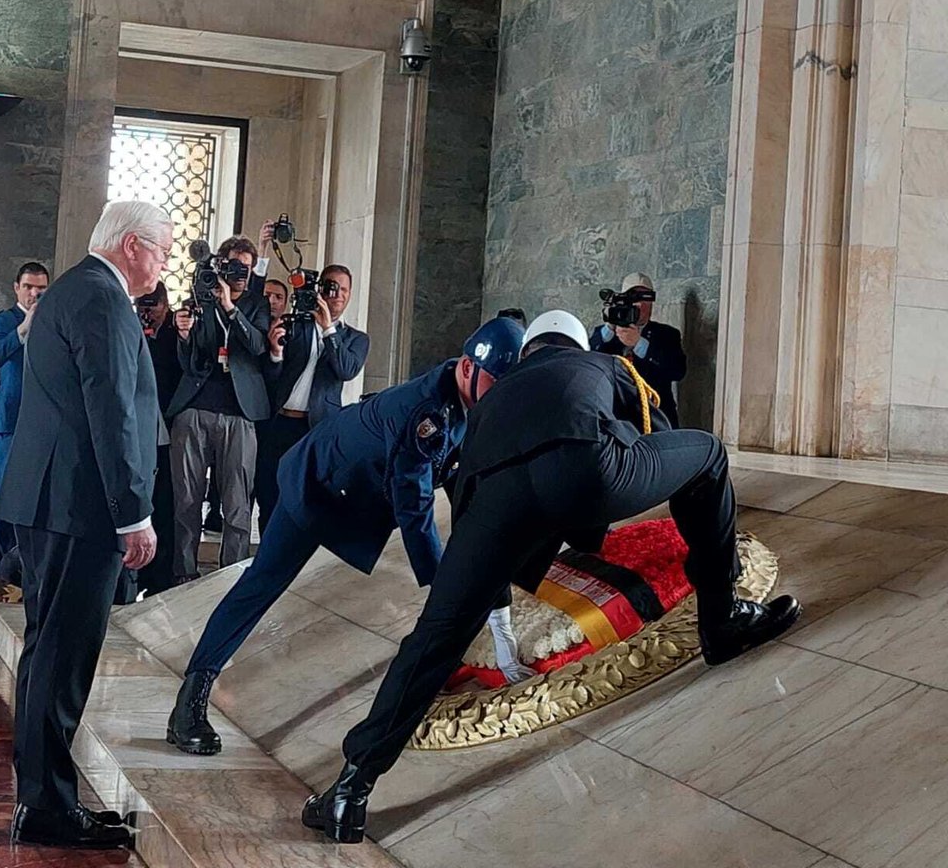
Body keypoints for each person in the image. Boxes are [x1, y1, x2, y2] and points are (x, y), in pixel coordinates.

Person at [303, 310, 802, 844]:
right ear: (574, 343)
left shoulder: (493, 399)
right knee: (707, 456)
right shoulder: (602, 364)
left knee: (435, 638)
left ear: (528, 352)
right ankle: (721, 622)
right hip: (584, 468)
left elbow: (460, 483)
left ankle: (349, 791)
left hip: (492, 504)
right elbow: (655, 424)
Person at [165, 317, 525, 758]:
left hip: (354, 491)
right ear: (469, 367)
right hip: (315, 486)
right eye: (496, 381)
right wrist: (444, 586)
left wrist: (491, 577)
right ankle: (191, 699)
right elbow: (415, 506)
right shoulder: (427, 412)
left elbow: (462, 482)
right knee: (260, 586)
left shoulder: (465, 399)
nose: (502, 394)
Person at [0, 200, 170, 850]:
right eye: (162, 248)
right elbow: (111, 409)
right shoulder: (101, 298)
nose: (167, 261)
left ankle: (42, 796)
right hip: (78, 507)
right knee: (64, 657)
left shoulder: (73, 288)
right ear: (130, 245)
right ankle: (46, 806)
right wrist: (135, 514)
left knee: (48, 651)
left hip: (46, 500)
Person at [169, 235, 271, 582]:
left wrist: (231, 307)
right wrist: (184, 335)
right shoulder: (200, 299)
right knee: (186, 500)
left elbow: (257, 346)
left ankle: (231, 575)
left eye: (246, 267)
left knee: (237, 503)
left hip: (240, 415)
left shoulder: (258, 305)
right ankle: (183, 574)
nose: (239, 273)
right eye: (233, 266)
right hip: (194, 410)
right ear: (221, 265)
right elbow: (191, 362)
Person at [256, 264, 369, 532]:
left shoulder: (356, 338)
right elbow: (273, 376)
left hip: (317, 428)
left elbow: (346, 369)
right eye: (332, 287)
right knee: (269, 492)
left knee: (308, 496)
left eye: (344, 290)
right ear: (320, 289)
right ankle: (265, 557)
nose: (337, 294)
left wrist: (329, 329)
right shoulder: (297, 326)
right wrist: (275, 353)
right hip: (281, 423)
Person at [0, 261, 51, 579]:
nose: (34, 293)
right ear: (16, 288)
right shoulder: (4, 320)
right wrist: (25, 327)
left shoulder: (52, 322)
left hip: (42, 426)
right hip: (10, 422)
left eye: (41, 288)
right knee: (2, 495)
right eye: (28, 287)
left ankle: (22, 569)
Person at [590, 272, 686, 427]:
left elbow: (677, 371)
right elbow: (589, 358)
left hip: (655, 417)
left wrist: (640, 345)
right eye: (634, 298)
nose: (640, 304)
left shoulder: (667, 335)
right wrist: (611, 325)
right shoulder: (606, 334)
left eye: (646, 298)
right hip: (615, 416)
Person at [135, 283, 182, 598]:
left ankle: (160, 576)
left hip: (168, 422)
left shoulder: (177, 331)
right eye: (143, 305)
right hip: (138, 427)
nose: (148, 312)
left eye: (153, 305)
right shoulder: (132, 328)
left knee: (164, 503)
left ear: (166, 304)